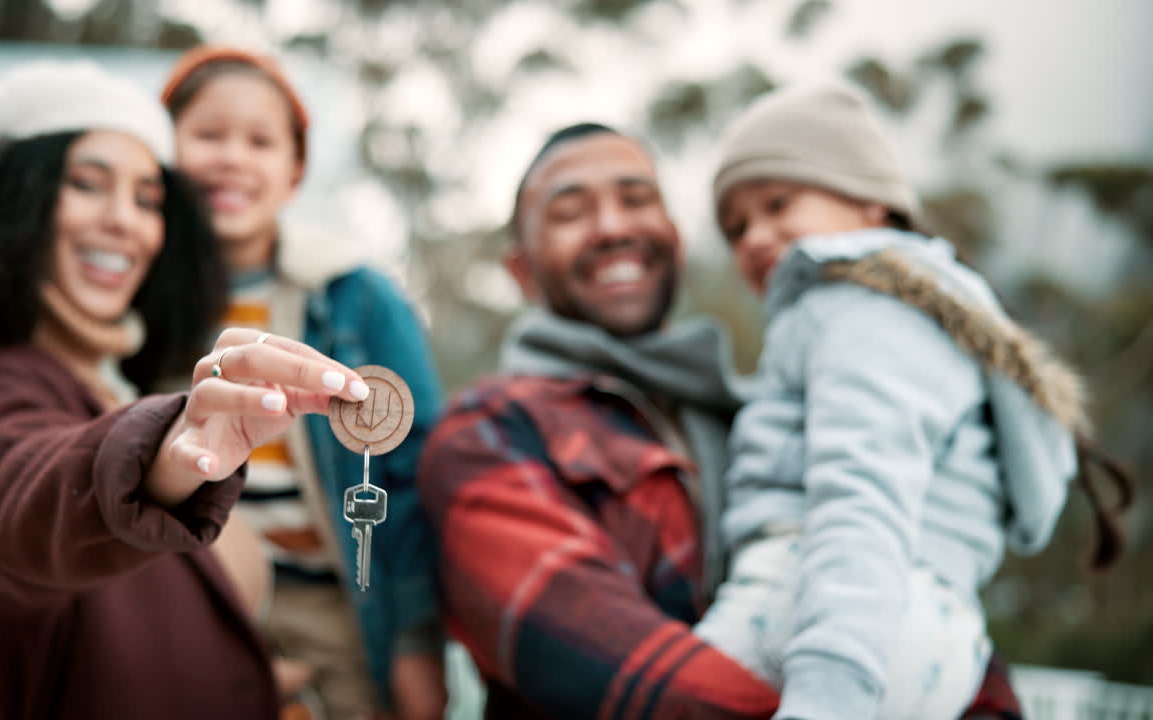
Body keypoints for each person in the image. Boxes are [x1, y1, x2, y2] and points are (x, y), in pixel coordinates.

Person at [418, 122, 1033, 719]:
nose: (612, 227)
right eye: (571, 212)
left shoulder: (762, 417)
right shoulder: (488, 433)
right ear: (521, 269)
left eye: (637, 200)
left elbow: (901, 580)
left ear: (675, 238)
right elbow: (617, 669)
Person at [0, 60, 374, 719]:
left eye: (147, 199)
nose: (125, 221)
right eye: (87, 184)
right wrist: (162, 455)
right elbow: (22, 493)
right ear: (3, 208)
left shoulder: (108, 382)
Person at [692, 79, 1133, 720]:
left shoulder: (858, 309)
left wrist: (831, 692)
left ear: (873, 203)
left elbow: (861, 494)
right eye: (734, 228)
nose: (755, 237)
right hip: (936, 636)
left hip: (825, 607)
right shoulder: (923, 320)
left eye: (778, 202)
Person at [159, 46, 447, 719]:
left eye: (260, 141)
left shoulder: (355, 296)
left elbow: (409, 474)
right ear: (166, 154)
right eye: (208, 135)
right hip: (191, 595)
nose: (232, 157)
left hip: (336, 597)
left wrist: (414, 643)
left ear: (294, 172)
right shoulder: (135, 301)